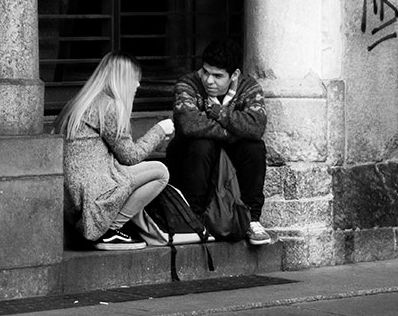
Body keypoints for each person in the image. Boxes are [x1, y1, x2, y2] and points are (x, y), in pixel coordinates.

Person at [55, 52, 175, 250]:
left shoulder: (80, 103)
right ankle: (110, 230)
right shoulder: (108, 107)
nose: (138, 85)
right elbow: (130, 156)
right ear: (123, 80)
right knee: (160, 172)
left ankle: (106, 228)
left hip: (74, 195)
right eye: (135, 80)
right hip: (94, 193)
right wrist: (159, 131)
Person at [166, 38, 272, 245]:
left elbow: (256, 126)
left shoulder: (249, 88)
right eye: (205, 72)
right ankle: (193, 218)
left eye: (217, 76)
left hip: (231, 157)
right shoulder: (187, 84)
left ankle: (251, 219)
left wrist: (218, 113)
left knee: (254, 148)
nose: (208, 80)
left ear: (234, 75)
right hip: (191, 156)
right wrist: (232, 131)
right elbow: (189, 124)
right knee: (202, 143)